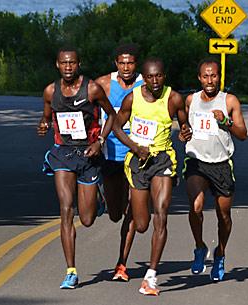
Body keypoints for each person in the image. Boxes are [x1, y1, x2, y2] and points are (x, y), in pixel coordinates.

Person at [37, 47, 116, 289]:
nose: (68, 67)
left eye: (72, 63)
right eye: (64, 63)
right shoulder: (51, 91)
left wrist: (100, 141)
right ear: (57, 65)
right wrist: (43, 125)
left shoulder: (92, 88)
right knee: (65, 208)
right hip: (62, 153)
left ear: (78, 64)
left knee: (88, 218)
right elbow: (47, 117)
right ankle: (71, 270)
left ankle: (98, 200)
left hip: (88, 153)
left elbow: (112, 116)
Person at [112, 58, 188, 296]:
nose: (155, 81)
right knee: (142, 224)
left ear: (165, 75)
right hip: (137, 162)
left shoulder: (174, 98)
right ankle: (124, 255)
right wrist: (134, 147)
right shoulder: (132, 98)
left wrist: (186, 132)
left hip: (163, 160)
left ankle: (151, 277)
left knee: (162, 214)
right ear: (143, 78)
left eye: (159, 76)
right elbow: (115, 126)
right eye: (150, 77)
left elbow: (185, 124)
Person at [179, 58, 247, 282]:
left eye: (214, 76)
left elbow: (242, 134)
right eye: (205, 76)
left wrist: (225, 121)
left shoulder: (229, 101)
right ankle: (199, 247)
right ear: (199, 78)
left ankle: (220, 253)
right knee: (196, 205)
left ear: (219, 77)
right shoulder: (190, 100)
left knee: (223, 216)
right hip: (196, 162)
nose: (210, 80)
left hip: (221, 164)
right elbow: (184, 128)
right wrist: (183, 135)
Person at [95, 43, 143, 282]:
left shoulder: (146, 85)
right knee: (116, 214)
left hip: (136, 156)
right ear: (116, 63)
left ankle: (121, 264)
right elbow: (87, 107)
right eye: (122, 63)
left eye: (131, 63)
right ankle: (102, 198)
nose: (126, 67)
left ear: (137, 63)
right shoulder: (103, 84)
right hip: (110, 154)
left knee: (133, 211)